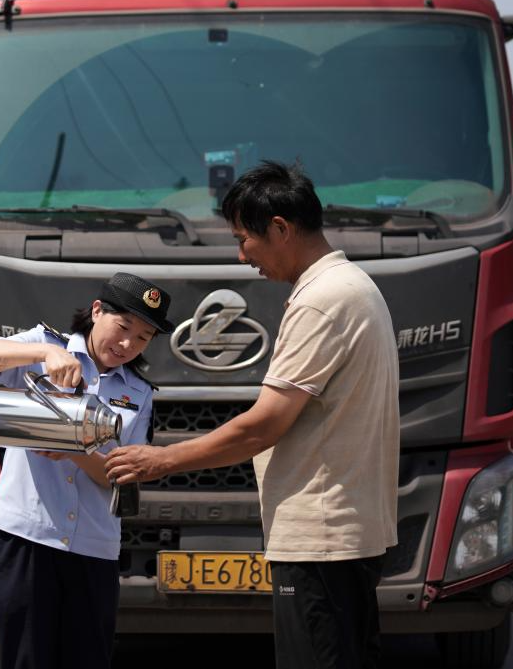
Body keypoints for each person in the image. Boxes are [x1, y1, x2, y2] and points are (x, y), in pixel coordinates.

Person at [106, 161, 400, 669]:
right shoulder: (352, 286)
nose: (242, 257)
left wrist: (160, 461)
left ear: (281, 229)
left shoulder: (321, 301)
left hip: (322, 538)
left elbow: (264, 423)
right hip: (346, 531)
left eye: (245, 240)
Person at [0, 273, 174, 669]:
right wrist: (42, 353)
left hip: (93, 547)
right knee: (26, 657)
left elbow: (116, 475)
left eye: (144, 337)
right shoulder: (45, 346)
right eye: (123, 326)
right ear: (97, 311)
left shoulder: (139, 392)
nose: (128, 344)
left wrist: (73, 448)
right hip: (26, 535)